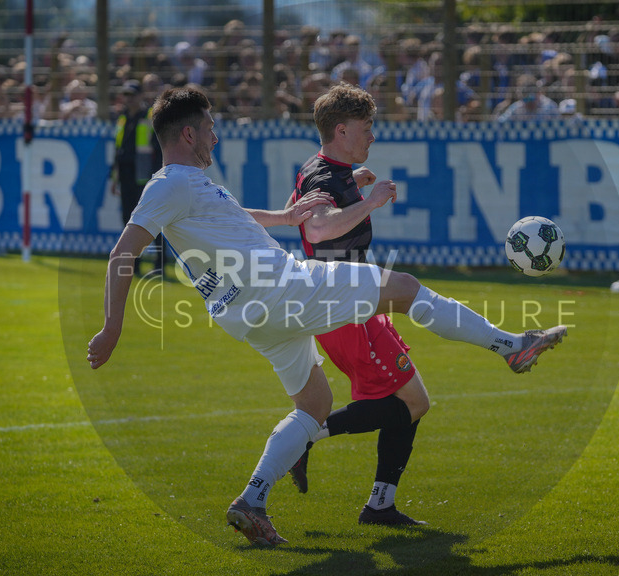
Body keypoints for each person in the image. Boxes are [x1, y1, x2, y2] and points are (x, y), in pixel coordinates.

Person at [86, 86, 567, 547]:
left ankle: (252, 501)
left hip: (252, 315)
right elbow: (122, 252)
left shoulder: (192, 186)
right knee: (404, 287)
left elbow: (235, 218)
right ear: (188, 135)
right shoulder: (169, 183)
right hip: (282, 288)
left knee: (315, 404)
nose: (215, 135)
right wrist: (112, 327)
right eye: (210, 127)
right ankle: (510, 345)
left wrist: (284, 216)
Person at [281, 82, 431, 527]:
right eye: (367, 129)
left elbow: (298, 209)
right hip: (343, 309)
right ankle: (302, 439)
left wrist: (353, 188)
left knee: (415, 402)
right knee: (409, 404)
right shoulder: (328, 175)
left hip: (359, 305)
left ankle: (380, 505)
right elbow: (318, 232)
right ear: (342, 131)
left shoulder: (319, 167)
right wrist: (369, 201)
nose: (372, 138)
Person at [111, 78, 163, 276]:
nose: (129, 99)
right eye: (126, 95)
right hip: (125, 174)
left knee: (151, 220)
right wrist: (114, 177)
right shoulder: (122, 118)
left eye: (133, 95)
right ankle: (136, 265)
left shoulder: (148, 117)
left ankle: (159, 265)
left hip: (144, 175)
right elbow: (118, 149)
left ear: (140, 96)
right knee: (129, 221)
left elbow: (157, 149)